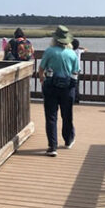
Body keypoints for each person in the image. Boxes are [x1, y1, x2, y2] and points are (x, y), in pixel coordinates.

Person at [38, 25, 80, 156]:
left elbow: (41, 69)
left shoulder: (50, 51)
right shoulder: (72, 53)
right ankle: (68, 140)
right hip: (67, 88)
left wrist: (42, 80)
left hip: (51, 86)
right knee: (67, 115)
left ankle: (52, 147)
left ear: (55, 39)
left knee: (51, 117)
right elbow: (76, 71)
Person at [71, 38, 86, 103]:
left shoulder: (69, 51)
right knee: (76, 84)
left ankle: (71, 98)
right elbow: (85, 49)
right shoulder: (78, 51)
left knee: (70, 84)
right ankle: (76, 99)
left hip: (70, 70)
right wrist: (80, 47)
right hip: (77, 70)